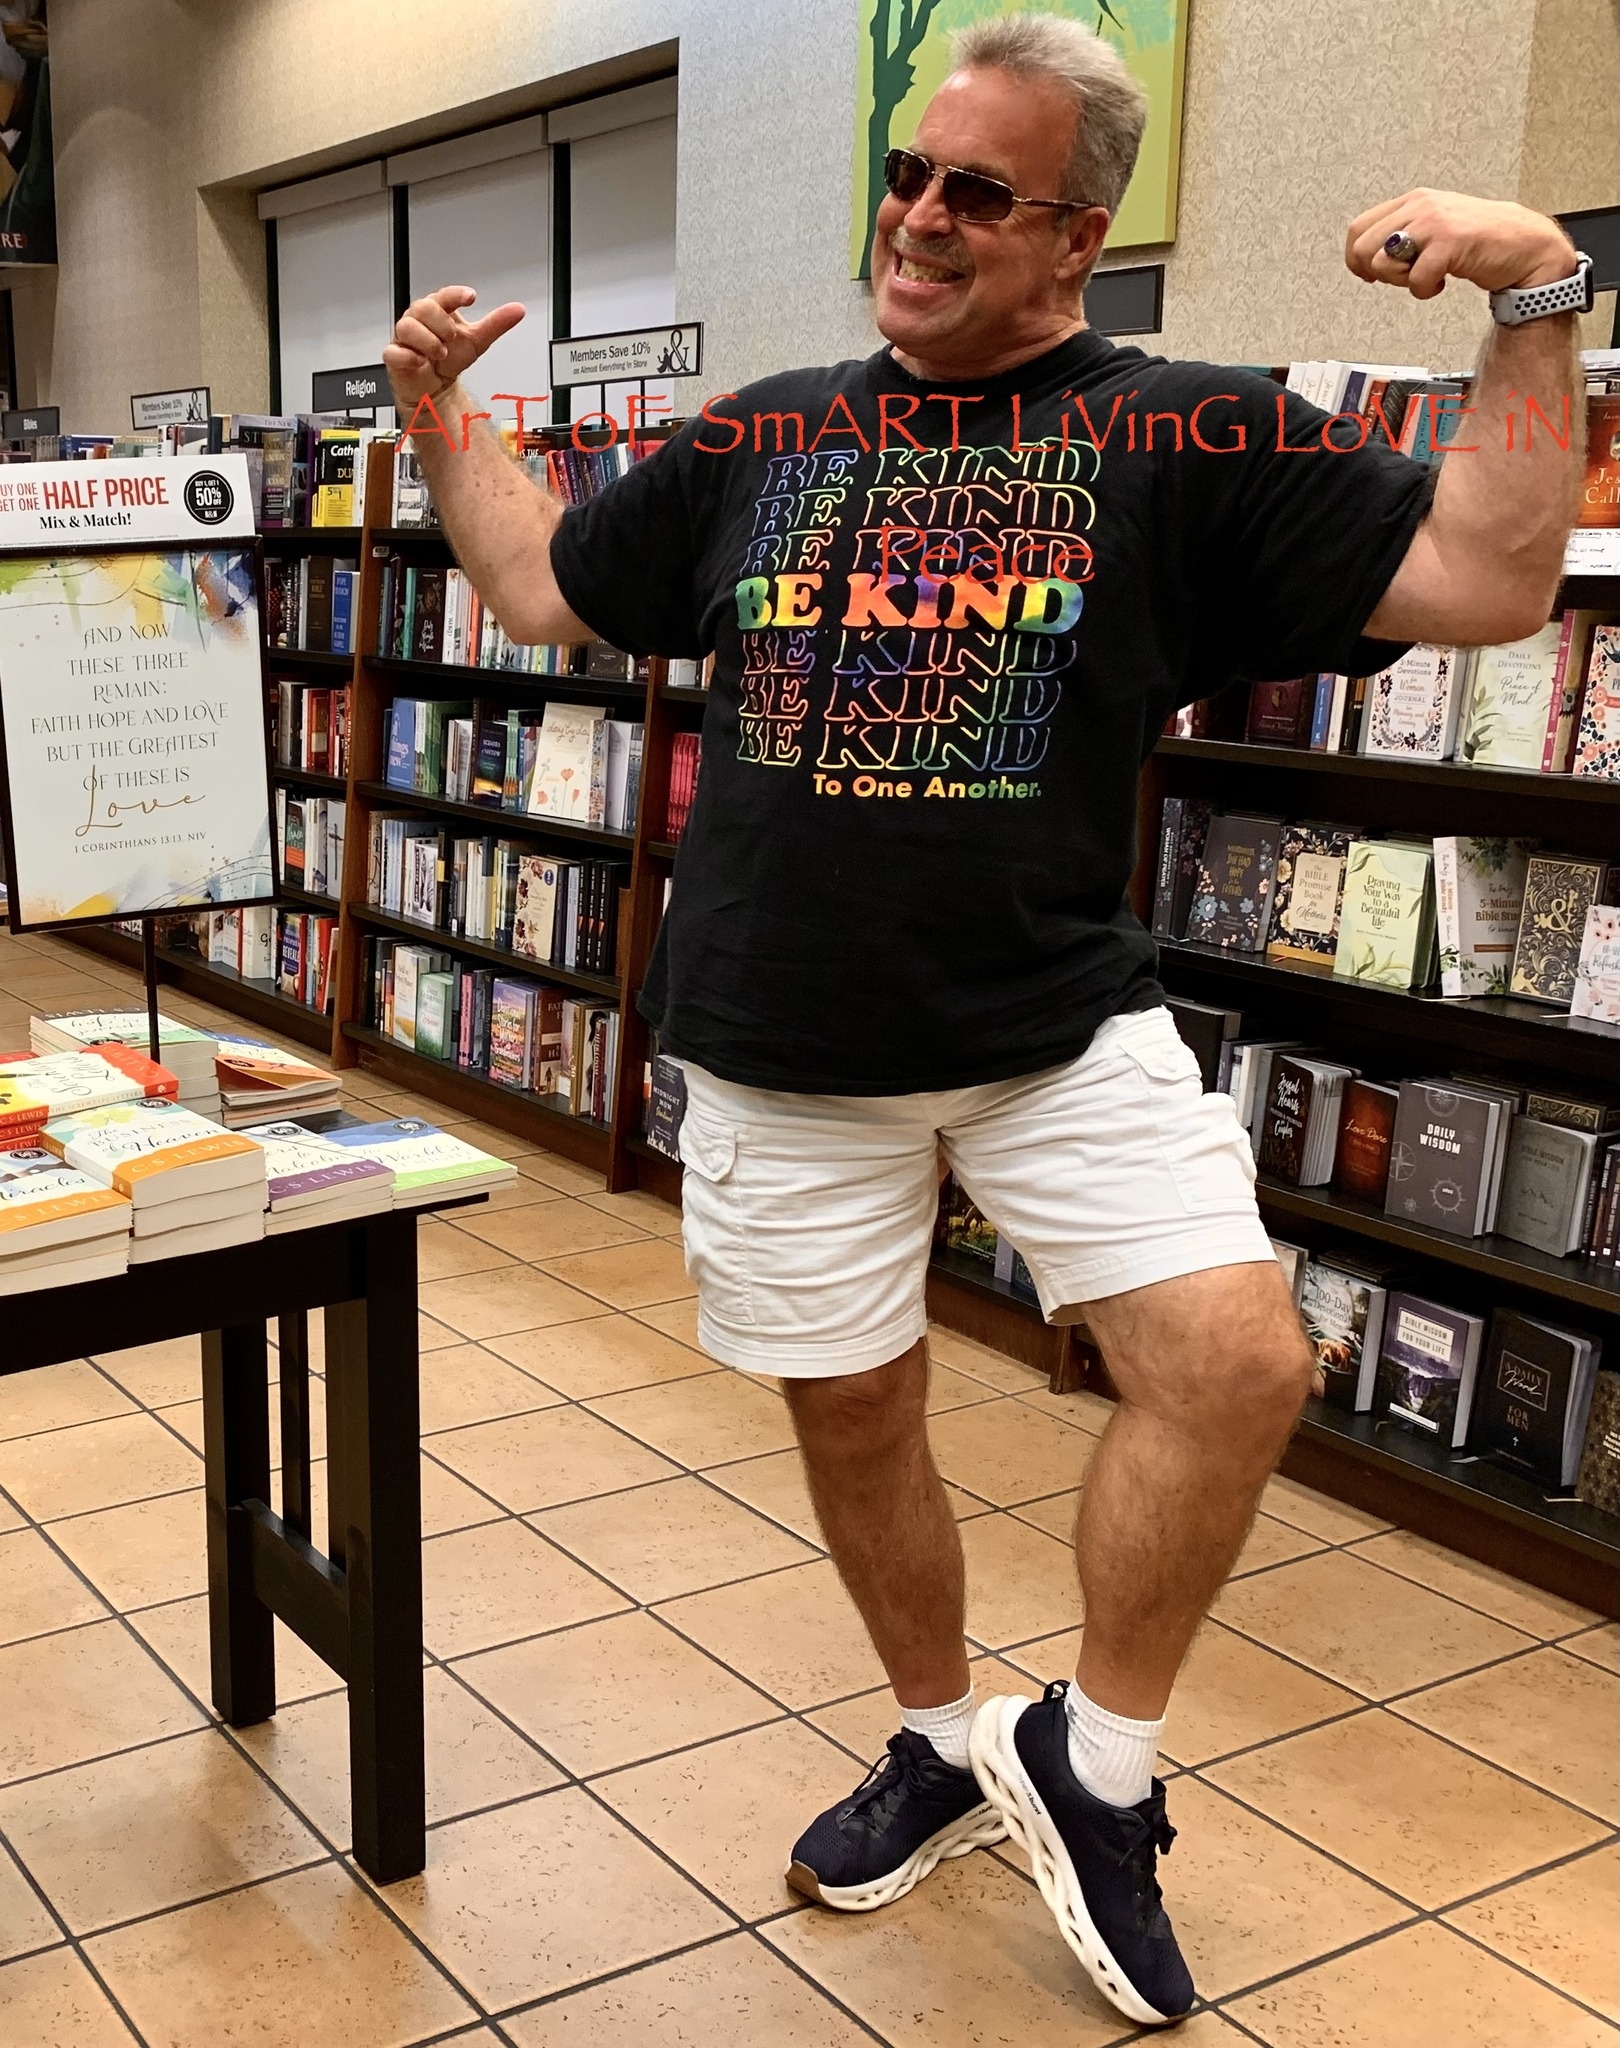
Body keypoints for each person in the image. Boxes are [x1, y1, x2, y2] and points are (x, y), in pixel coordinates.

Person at [384, 13, 1584, 2026]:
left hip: (1053, 1018)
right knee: (858, 1415)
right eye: (909, 177)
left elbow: (1489, 577)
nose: (922, 219)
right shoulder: (764, 436)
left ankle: (1092, 1767)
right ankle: (941, 1743)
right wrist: (439, 417)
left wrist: (1536, 291)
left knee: (1237, 1365)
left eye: (978, 194)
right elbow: (536, 589)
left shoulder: (1183, 436)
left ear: (1077, 237)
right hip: (778, 1034)